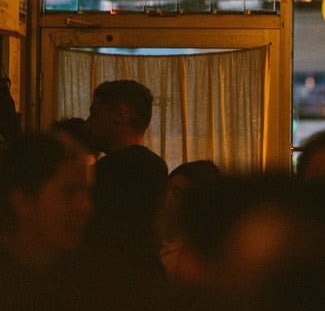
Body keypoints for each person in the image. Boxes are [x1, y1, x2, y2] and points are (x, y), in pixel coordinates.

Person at [84, 80, 168, 284]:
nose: (88, 122)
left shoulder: (107, 171)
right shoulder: (156, 167)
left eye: (95, 113)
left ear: (119, 114)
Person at [0, 130, 94, 278]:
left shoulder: (98, 276)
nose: (86, 206)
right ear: (22, 201)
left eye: (87, 191)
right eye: (69, 191)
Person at [160, 159, 219, 284]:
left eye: (176, 192)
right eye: (167, 187)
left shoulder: (202, 253)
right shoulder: (151, 237)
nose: (166, 196)